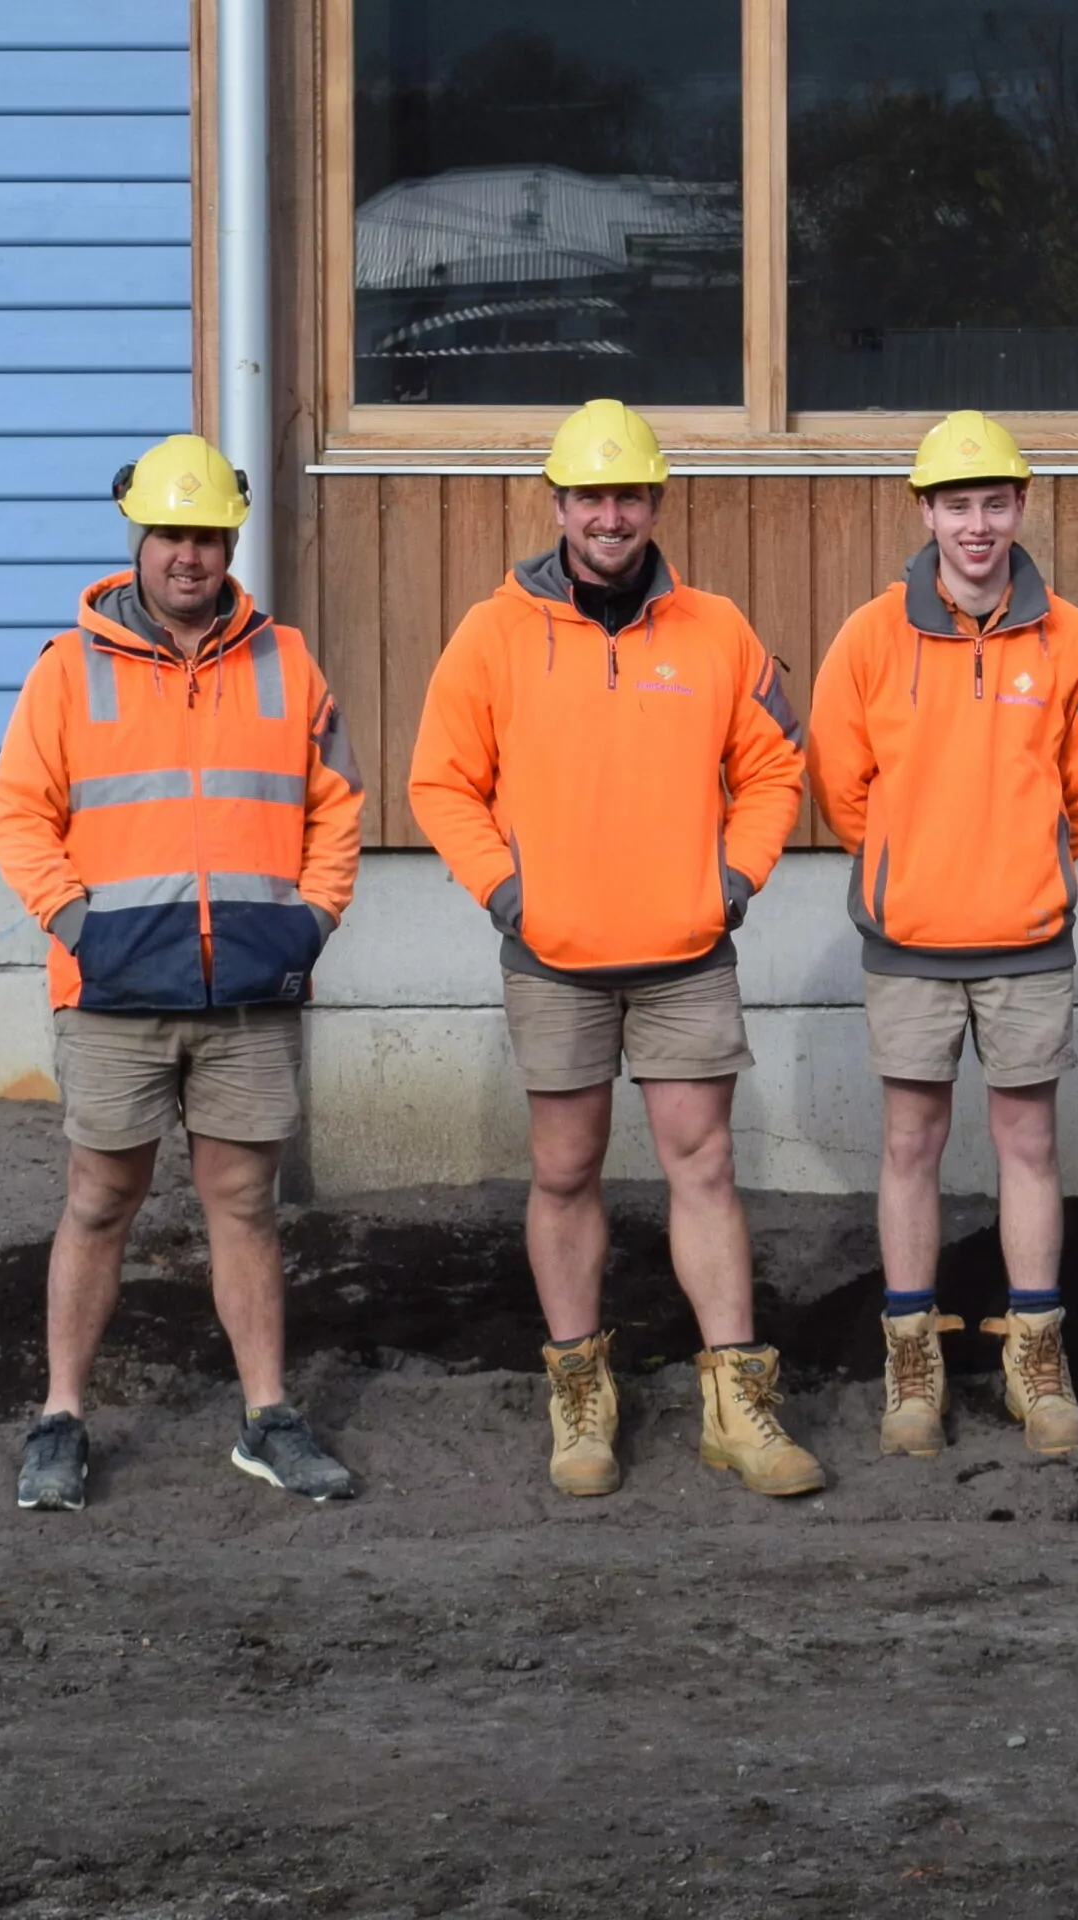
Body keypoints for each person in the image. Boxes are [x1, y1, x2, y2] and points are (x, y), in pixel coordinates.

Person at [409, 399, 819, 1500]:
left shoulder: (715, 629)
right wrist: (506, 892)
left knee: (706, 1166)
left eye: (627, 495)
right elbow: (441, 781)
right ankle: (580, 1395)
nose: (609, 515)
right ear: (558, 505)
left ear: (653, 504)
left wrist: (733, 880)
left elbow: (777, 765)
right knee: (564, 1169)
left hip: (686, 951)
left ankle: (738, 1401)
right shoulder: (493, 633)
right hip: (554, 955)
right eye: (590, 496)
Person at [0, 435, 365, 1511]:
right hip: (114, 993)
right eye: (170, 534)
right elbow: (19, 814)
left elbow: (336, 803)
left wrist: (313, 919)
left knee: (244, 1202)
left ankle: (268, 1415)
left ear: (228, 540)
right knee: (100, 1200)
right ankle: (61, 1416)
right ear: (138, 540)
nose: (188, 555)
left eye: (205, 535)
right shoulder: (70, 669)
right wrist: (78, 925)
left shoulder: (287, 663)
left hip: (248, 992)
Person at [807, 411, 1078, 1462]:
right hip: (912, 943)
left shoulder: (1072, 638)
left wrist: (1023, 862)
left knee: (1028, 1143)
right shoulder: (868, 637)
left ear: (1021, 506)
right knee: (911, 1145)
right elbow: (842, 787)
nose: (977, 524)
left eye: (994, 502)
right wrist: (912, 867)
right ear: (926, 511)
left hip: (1027, 938)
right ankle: (913, 1361)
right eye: (957, 504)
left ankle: (1037, 1352)